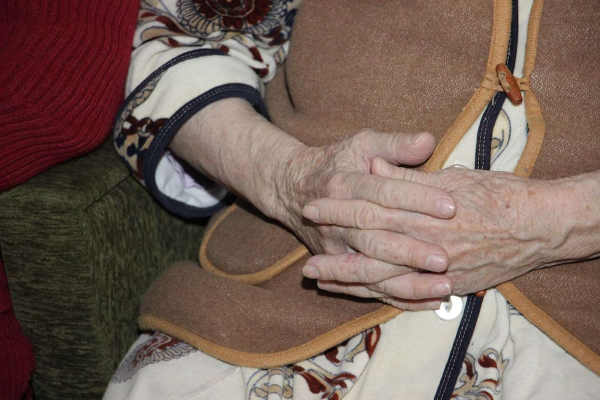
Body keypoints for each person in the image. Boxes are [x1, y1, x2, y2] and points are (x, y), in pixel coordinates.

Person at [105, 0, 600, 398]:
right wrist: (289, 179)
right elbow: (179, 40)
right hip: (271, 315)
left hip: (572, 337)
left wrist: (551, 222)